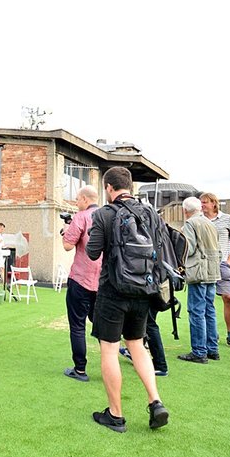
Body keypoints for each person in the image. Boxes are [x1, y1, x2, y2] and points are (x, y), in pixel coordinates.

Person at [85, 167, 169, 433]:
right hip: (144, 291)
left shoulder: (104, 214)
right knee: (137, 346)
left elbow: (92, 252)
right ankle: (155, 401)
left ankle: (116, 414)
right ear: (130, 186)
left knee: (109, 349)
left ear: (109, 188)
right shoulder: (150, 213)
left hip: (113, 290)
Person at [61, 187, 102, 382]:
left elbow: (68, 245)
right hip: (103, 281)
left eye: (77, 199)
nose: (76, 203)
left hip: (80, 278)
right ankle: (110, 366)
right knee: (102, 326)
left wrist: (66, 231)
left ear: (85, 199)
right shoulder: (107, 215)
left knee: (77, 326)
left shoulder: (81, 216)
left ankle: (80, 369)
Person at [199, 192, 230, 351]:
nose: (202, 205)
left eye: (205, 202)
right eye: (201, 203)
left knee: (228, 297)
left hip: (222, 263)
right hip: (204, 263)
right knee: (207, 300)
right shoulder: (198, 219)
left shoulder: (228, 219)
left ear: (214, 203)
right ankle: (211, 334)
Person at [178, 196, 221, 364]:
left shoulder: (190, 224)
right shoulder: (210, 223)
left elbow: (187, 248)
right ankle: (212, 349)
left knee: (196, 311)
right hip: (212, 271)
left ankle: (199, 351)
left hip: (198, 271)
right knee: (209, 310)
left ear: (185, 211)